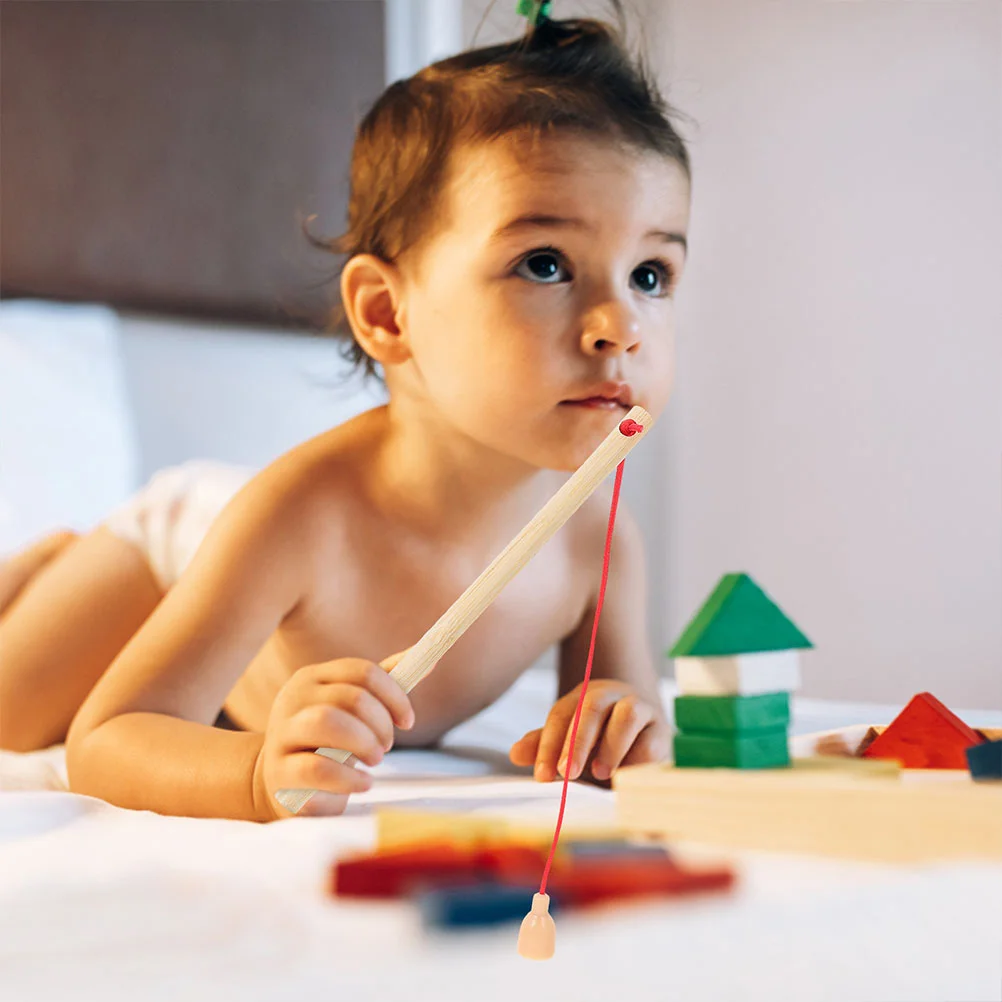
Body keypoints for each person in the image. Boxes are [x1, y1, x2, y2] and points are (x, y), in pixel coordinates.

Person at [0, 9, 691, 822]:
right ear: (389, 314)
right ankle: (47, 568)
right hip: (173, 557)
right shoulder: (301, 517)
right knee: (13, 718)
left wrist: (618, 724)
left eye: (651, 273)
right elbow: (109, 737)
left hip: (256, 612)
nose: (622, 325)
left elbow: (624, 723)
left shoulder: (592, 536)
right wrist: (254, 771)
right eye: (544, 264)